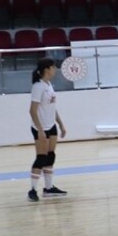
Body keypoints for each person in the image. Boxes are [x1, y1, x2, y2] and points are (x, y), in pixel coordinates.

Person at [27, 57, 68, 202]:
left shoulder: (49, 84)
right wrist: (40, 130)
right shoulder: (38, 86)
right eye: (53, 67)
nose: (55, 69)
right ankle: (32, 190)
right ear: (47, 69)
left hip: (51, 126)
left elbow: (52, 108)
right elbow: (32, 110)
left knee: (50, 156)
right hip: (41, 127)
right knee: (41, 158)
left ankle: (49, 188)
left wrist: (61, 124)